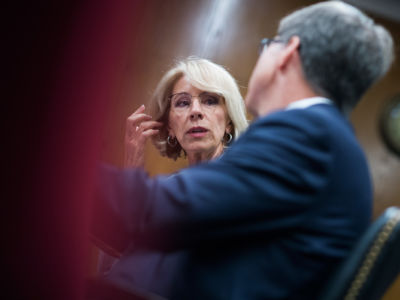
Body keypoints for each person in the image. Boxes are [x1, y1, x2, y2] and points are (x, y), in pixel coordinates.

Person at [90, 1, 394, 299]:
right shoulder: (325, 139)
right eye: (183, 103)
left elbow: (162, 211)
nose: (196, 111)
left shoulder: (307, 136)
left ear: (287, 52)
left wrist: (63, 174)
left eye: (268, 45)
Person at [95, 57, 248, 282]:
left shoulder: (249, 188)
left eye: (210, 100)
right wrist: (132, 181)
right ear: (170, 128)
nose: (195, 111)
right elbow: (113, 278)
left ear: (228, 122)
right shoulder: (162, 193)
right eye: (183, 103)